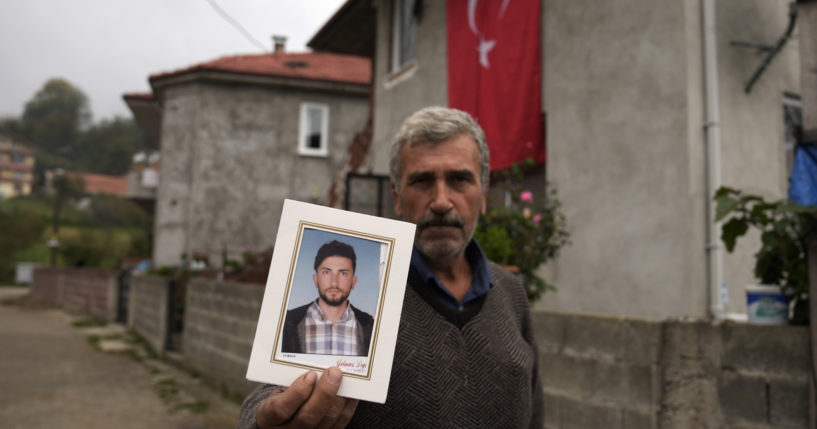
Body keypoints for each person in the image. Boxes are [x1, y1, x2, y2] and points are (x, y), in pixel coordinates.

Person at [239, 106, 543, 428]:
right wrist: (265, 420)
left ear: (483, 193)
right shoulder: (366, 296)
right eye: (422, 181)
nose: (441, 201)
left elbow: (535, 412)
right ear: (397, 197)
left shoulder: (511, 292)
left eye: (459, 179)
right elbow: (270, 396)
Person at [281, 239, 374, 356]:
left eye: (343, 273)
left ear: (353, 282)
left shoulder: (370, 326)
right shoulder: (287, 322)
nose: (334, 283)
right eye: (326, 272)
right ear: (315, 280)